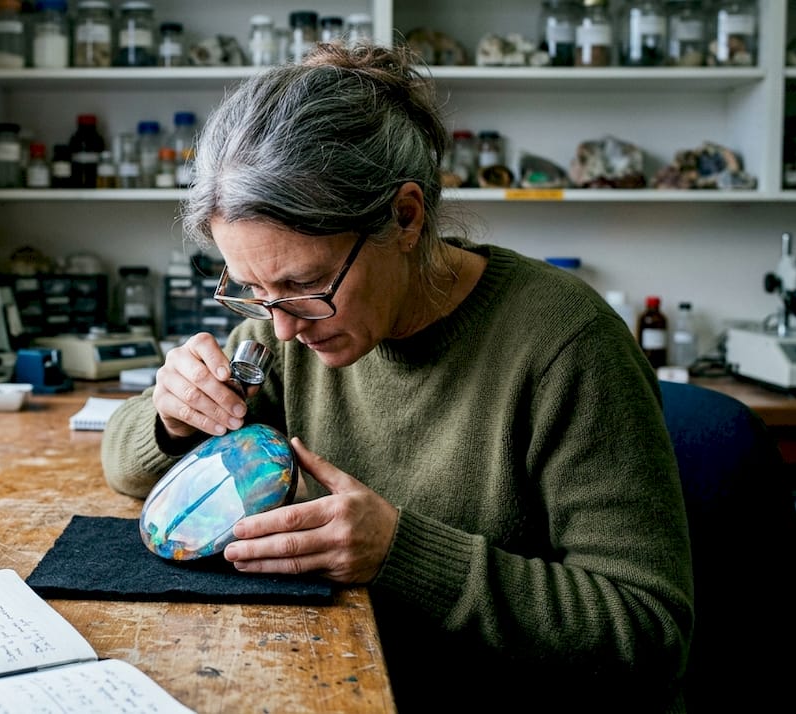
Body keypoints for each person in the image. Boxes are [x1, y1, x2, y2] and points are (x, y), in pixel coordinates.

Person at [100, 43, 692, 712]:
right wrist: (171, 417)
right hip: (345, 681)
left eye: (303, 283)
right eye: (252, 289)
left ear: (405, 217)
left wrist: (400, 554)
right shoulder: (280, 330)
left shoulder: (564, 344)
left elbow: (649, 630)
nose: (284, 327)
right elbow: (124, 463)